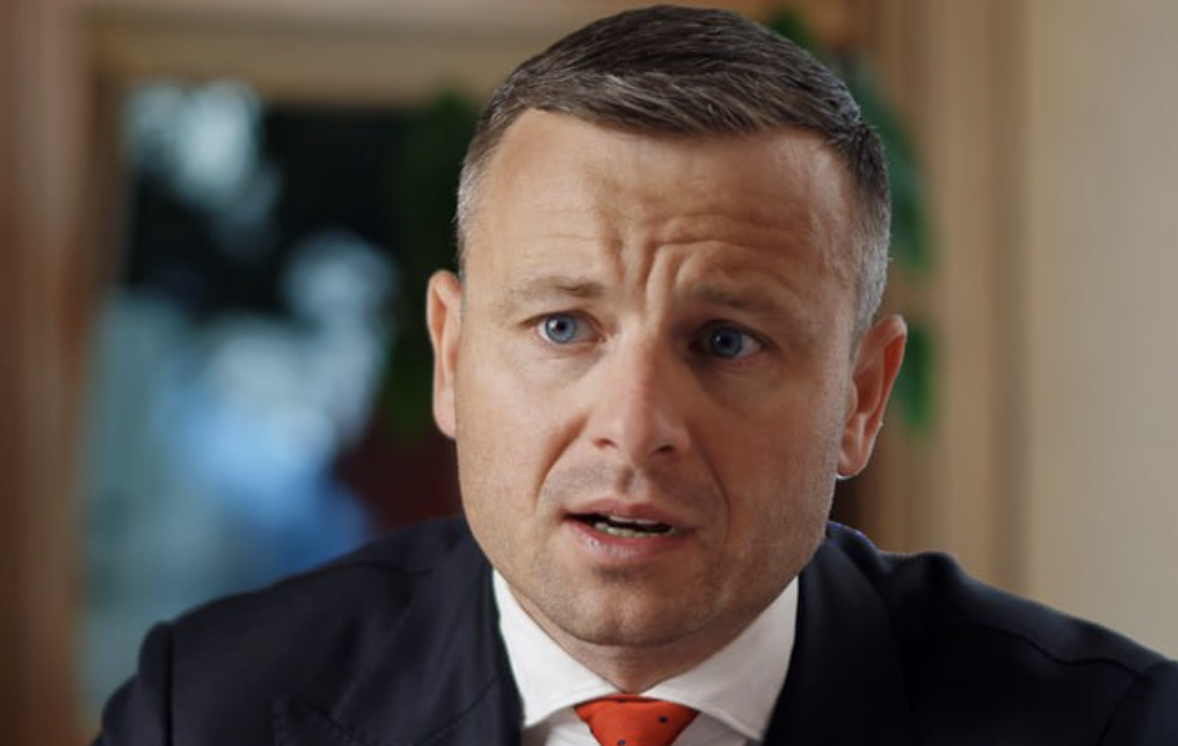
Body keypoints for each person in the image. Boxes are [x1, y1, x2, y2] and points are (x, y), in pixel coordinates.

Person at [94, 5, 1178, 745]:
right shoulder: (209, 709)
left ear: (859, 398)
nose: (634, 424)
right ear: (452, 355)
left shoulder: (1116, 727)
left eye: (725, 341)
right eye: (564, 326)